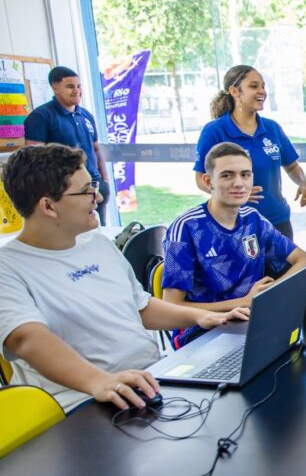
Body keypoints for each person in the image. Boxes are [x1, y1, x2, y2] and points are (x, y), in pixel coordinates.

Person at [0, 144, 249, 413]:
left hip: (151, 381)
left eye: (93, 185)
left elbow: (140, 306)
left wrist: (199, 317)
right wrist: (100, 382)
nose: (97, 196)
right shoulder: (9, 267)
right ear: (48, 206)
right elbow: (26, 339)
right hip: (82, 402)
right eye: (86, 191)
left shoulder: (98, 244)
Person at [164, 142, 306, 348]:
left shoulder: (253, 219)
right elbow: (170, 309)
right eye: (227, 175)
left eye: (245, 175)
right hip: (202, 335)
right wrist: (243, 303)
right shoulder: (186, 228)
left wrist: (268, 293)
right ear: (208, 181)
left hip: (251, 324)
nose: (239, 183)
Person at [193, 65, 306, 239]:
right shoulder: (215, 131)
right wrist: (233, 193)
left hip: (278, 221)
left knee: (291, 267)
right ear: (234, 91)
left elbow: (291, 165)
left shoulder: (272, 128)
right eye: (254, 86)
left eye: (263, 86)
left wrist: (303, 183)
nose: (262, 91)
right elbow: (200, 179)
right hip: (236, 224)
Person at [23, 66, 111, 226]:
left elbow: (96, 149)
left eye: (79, 86)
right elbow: (33, 160)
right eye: (70, 86)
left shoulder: (85, 115)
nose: (76, 91)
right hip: (69, 191)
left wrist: (105, 180)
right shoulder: (41, 117)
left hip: (96, 186)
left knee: (101, 234)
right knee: (77, 238)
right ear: (55, 88)